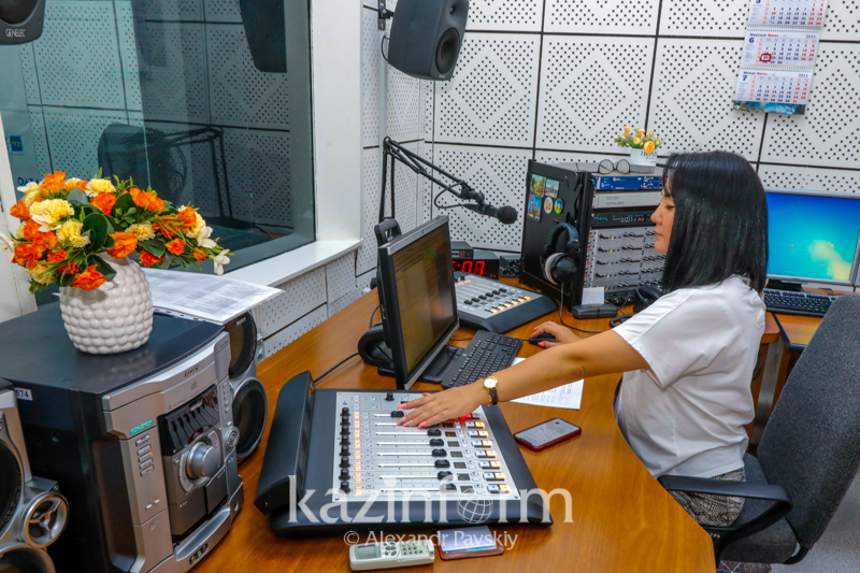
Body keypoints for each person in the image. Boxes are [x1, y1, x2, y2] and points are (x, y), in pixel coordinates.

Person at [399, 150, 768, 528]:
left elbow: (574, 364)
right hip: (675, 466)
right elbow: (651, 350)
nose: (655, 215)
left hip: (691, 494)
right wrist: (582, 342)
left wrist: (475, 392)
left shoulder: (705, 306)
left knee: (559, 515)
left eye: (669, 205)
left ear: (708, 219)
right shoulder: (732, 290)